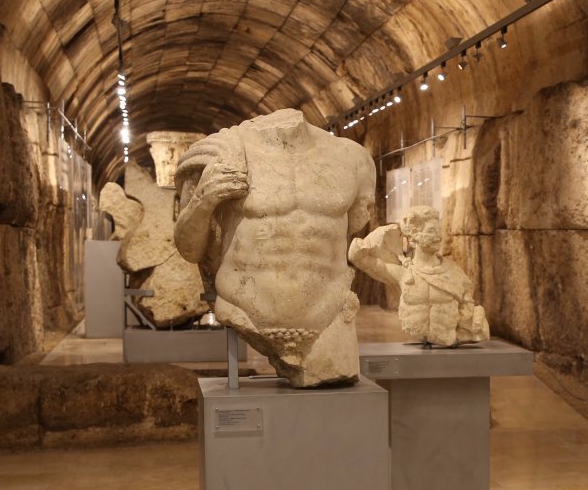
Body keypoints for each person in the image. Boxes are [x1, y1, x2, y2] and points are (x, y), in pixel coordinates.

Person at [174, 109, 376, 386]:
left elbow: (352, 226)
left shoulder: (353, 158)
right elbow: (190, 250)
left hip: (330, 316)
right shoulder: (220, 154)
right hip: (243, 310)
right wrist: (203, 199)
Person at [349, 205, 488, 348]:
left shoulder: (454, 273)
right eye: (431, 231)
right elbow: (357, 257)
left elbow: (467, 309)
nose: (439, 237)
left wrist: (470, 326)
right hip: (417, 334)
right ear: (414, 236)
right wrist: (380, 234)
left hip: (450, 337)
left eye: (439, 231)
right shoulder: (403, 274)